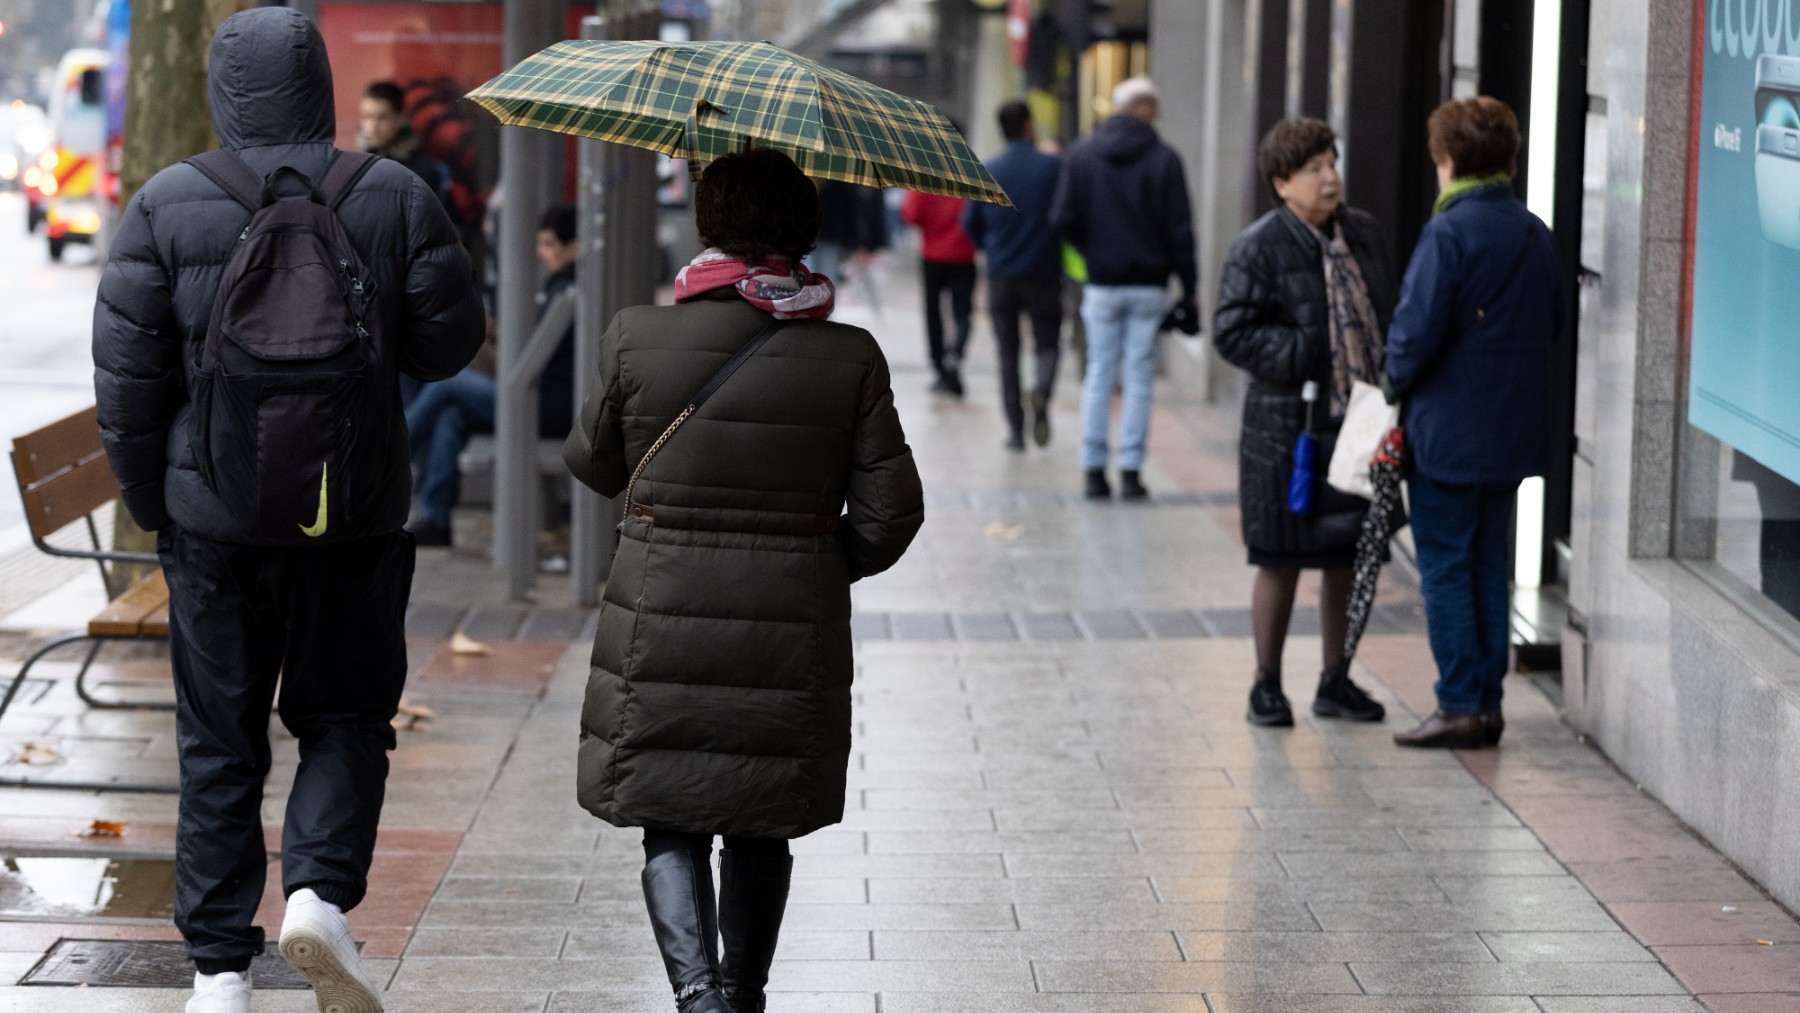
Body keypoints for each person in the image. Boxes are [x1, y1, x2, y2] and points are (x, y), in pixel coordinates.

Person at [92, 9, 482, 1013]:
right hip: (351, 516)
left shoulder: (167, 203)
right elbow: (448, 346)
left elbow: (129, 389)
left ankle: (219, 969)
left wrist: (157, 507)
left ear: (223, 90)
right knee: (347, 717)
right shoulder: (389, 193)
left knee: (218, 741)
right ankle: (317, 892)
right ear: (319, 82)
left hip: (213, 526)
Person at [564, 148, 923, 1013]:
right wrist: (817, 561)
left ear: (707, 224)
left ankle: (698, 995)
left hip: (662, 610)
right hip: (787, 625)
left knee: (672, 809)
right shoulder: (850, 355)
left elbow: (590, 459)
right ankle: (744, 991)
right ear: (805, 230)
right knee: (761, 813)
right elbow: (891, 513)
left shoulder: (635, 334)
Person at [1385, 96, 1559, 749]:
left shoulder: (1449, 233)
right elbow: (1554, 323)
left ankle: (1460, 702)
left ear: (1450, 160)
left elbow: (1412, 333)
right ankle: (1486, 702)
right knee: (1489, 562)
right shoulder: (1535, 232)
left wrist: (1390, 384)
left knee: (1448, 566)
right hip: (1512, 429)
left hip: (1450, 433)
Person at [1214, 117, 1396, 728]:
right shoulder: (1259, 245)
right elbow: (1232, 331)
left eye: (1331, 162)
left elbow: (1385, 311)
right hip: (1286, 428)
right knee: (1280, 555)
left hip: (1359, 421)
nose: (1330, 177)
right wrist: (1303, 350)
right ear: (1281, 182)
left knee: (1348, 552)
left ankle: (1335, 679)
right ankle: (1266, 685)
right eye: (1314, 168)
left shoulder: (1363, 234)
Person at [1051, 76, 1198, 500]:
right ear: (1147, 108)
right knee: (1138, 378)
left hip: (1102, 282)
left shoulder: (1082, 155)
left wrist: (1094, 250)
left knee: (1098, 374)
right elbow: (1181, 231)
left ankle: (1093, 471)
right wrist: (1189, 287)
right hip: (1150, 285)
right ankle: (1131, 471)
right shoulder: (1166, 159)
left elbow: (1060, 218)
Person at [405, 204, 580, 547]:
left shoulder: (569, 288)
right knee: (451, 417)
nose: (540, 253)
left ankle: (391, 444)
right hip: (535, 393)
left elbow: (537, 351)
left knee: (449, 383)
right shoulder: (560, 285)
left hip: (545, 404)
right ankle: (436, 519)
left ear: (573, 247)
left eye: (548, 245)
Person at [963, 101, 1064, 449]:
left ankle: (1016, 432)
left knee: (1008, 352)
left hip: (1002, 274)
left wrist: (992, 248)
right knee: (1048, 342)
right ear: (1029, 126)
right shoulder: (1053, 168)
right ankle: (1043, 391)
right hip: (1045, 272)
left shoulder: (988, 170)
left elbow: (969, 224)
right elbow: (1067, 215)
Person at [901, 163, 977, 397]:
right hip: (964, 256)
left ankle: (940, 366)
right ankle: (956, 353)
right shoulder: (970, 177)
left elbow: (910, 214)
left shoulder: (927, 176)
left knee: (933, 313)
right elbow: (977, 217)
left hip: (932, 256)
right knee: (962, 312)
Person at [360, 80, 455, 213]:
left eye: (382, 118)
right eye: (367, 117)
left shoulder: (422, 172)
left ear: (401, 117)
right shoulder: (359, 164)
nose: (372, 127)